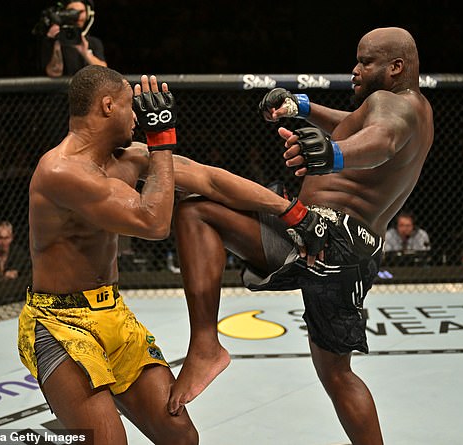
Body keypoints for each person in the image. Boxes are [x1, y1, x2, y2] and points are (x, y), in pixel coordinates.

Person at [17, 65, 322, 444]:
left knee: (181, 437)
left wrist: (293, 212)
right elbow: (153, 222)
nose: (137, 116)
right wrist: (161, 139)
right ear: (108, 106)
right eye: (131, 107)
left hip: (111, 312)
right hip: (60, 323)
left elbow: (210, 180)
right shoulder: (60, 171)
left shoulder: (126, 157)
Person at [168, 27, 434, 445]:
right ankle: (205, 344)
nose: (355, 70)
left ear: (396, 67)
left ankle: (205, 343)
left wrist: (333, 153)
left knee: (197, 210)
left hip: (331, 238)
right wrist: (302, 107)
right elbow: (356, 126)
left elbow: (380, 140)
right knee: (337, 376)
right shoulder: (412, 107)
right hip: (330, 241)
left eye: (366, 62)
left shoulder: (391, 107)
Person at [38, 0, 107, 77]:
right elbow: (54, 72)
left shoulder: (94, 42)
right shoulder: (51, 40)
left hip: (87, 88)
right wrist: (56, 45)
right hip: (62, 88)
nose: (77, 16)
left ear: (88, 13)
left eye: (81, 12)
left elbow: (104, 73)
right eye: (72, 12)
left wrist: (85, 53)